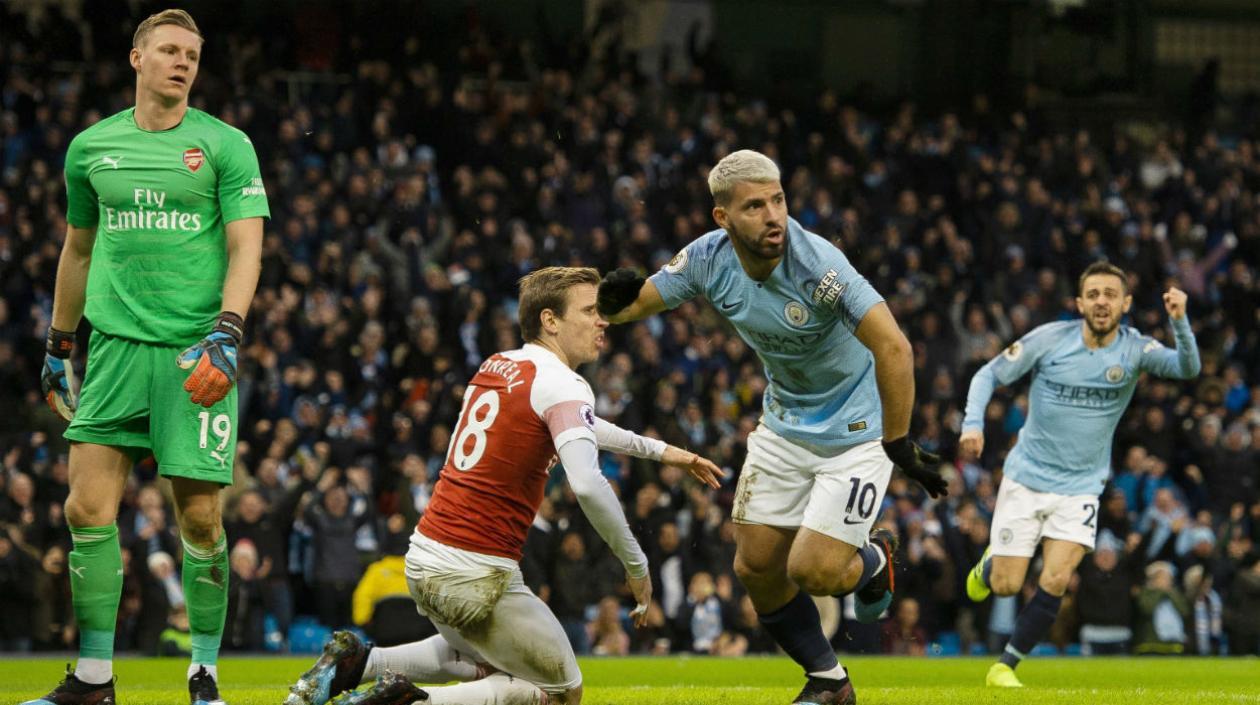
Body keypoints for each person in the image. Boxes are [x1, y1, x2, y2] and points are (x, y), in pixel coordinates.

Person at [596, 149, 947, 705]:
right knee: (756, 567)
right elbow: (636, 304)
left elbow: (895, 347)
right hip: (785, 424)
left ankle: (874, 560)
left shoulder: (819, 267)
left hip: (857, 432)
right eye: (755, 206)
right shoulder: (709, 260)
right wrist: (612, 304)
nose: (773, 216)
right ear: (723, 218)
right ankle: (829, 682)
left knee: (814, 570)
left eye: (778, 200)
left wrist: (899, 442)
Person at [284, 266, 724, 705]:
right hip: (474, 573)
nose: (602, 321)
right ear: (550, 320)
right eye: (590, 310)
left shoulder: (500, 364)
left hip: (425, 557)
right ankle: (408, 703)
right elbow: (588, 485)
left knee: (486, 657)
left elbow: (580, 426)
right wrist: (637, 566)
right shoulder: (564, 385)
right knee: (560, 691)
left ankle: (356, 664)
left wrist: (662, 451)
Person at [27, 8, 269, 705]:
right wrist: (58, 343)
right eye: (168, 49)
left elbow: (246, 244)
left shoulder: (226, 145)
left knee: (199, 519)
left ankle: (203, 671)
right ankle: (96, 679)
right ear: (137, 59)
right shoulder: (90, 148)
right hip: (112, 353)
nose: (182, 61)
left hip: (195, 353)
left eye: (191, 53)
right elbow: (77, 247)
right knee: (85, 509)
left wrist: (230, 329)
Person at [960, 261, 1200, 686]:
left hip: (1082, 488)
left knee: (1055, 577)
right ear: (1079, 303)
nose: (1101, 301)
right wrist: (972, 424)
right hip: (1026, 479)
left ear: (1125, 303)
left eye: (1110, 294)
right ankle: (992, 563)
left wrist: (1179, 321)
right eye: (1093, 294)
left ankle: (1005, 666)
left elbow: (1187, 368)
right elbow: (987, 374)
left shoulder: (1135, 349)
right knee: (1006, 586)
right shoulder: (1050, 339)